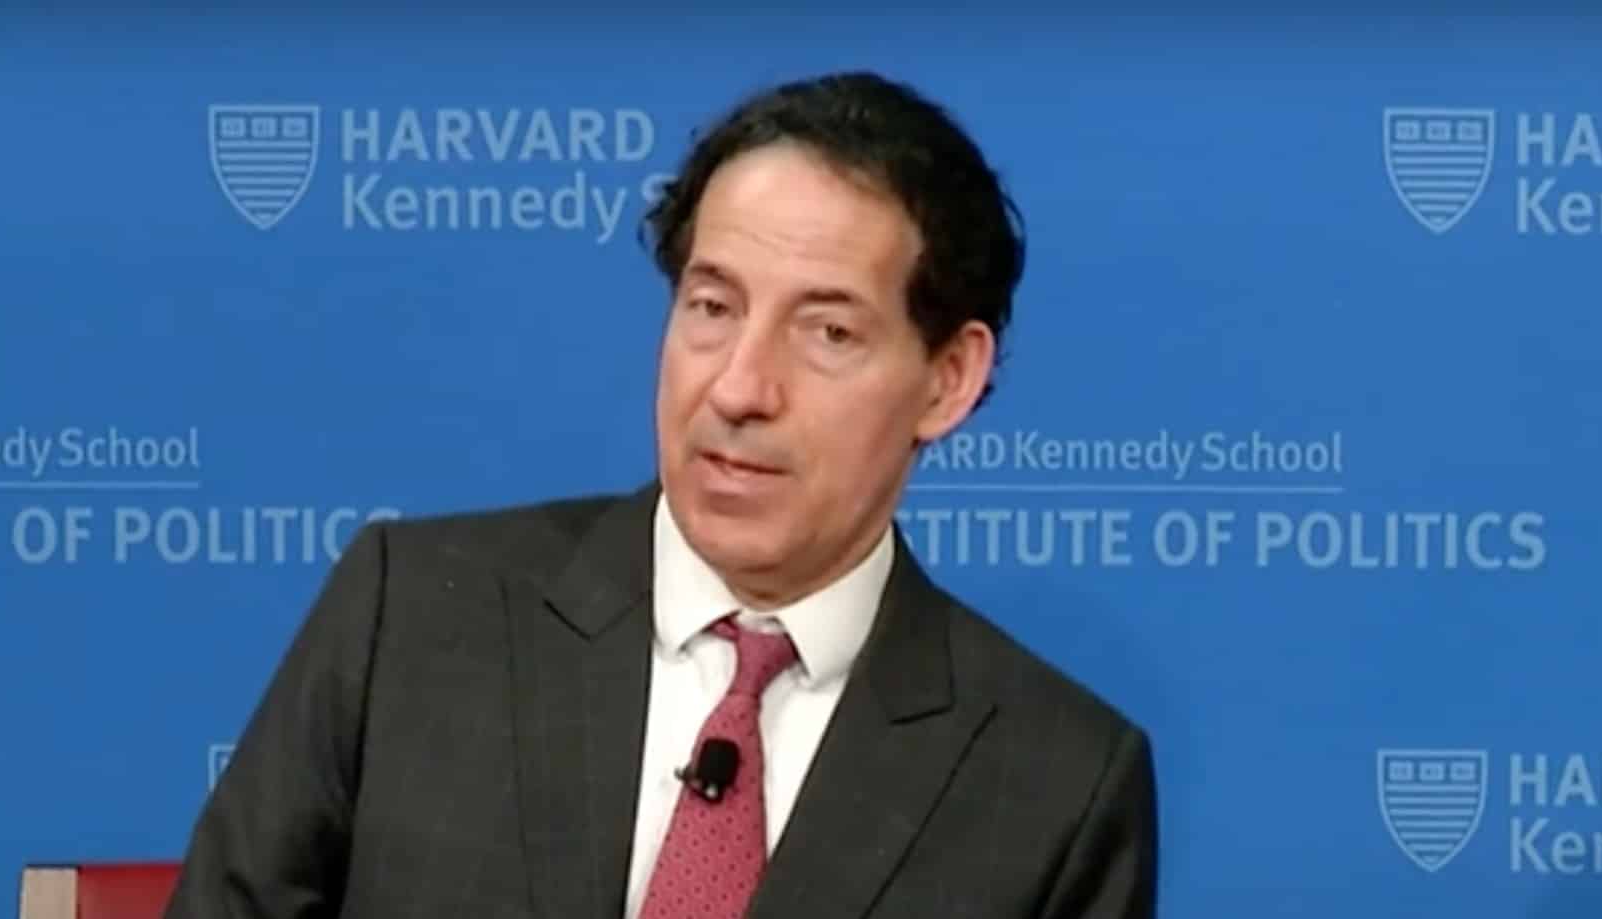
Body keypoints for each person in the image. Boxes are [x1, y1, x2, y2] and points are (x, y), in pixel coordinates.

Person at [163, 70, 1157, 919]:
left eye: (827, 332)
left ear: (947, 379)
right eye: (712, 306)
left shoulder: (1059, 784)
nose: (738, 388)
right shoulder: (410, 616)